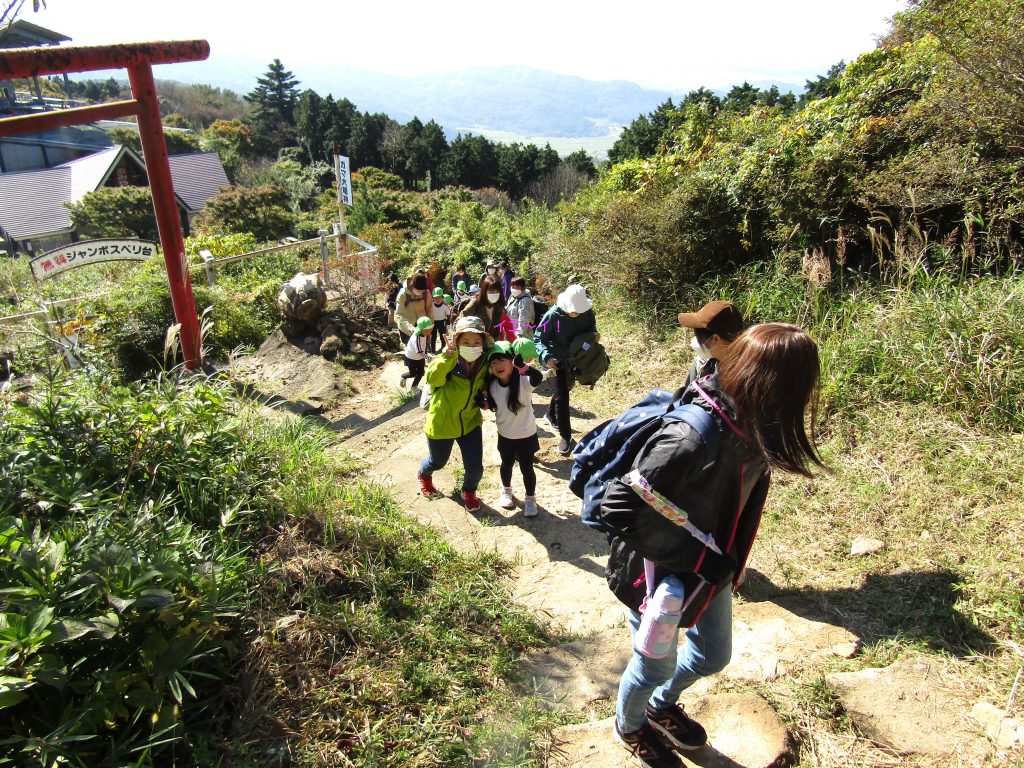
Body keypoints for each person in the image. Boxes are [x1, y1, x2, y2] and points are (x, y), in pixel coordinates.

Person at [604, 323, 823, 768]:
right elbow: (618, 505)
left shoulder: (753, 424)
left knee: (712, 655)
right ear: (779, 386)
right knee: (656, 665)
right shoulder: (694, 435)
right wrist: (702, 559)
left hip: (710, 567)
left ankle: (658, 706)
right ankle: (630, 725)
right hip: (655, 572)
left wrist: (717, 562)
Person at [418, 316, 493, 512]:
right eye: (466, 342)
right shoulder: (448, 359)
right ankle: (424, 475)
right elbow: (433, 378)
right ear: (457, 342)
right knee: (437, 462)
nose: (471, 346)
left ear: (483, 343)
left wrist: (486, 394)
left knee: (475, 468)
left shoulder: (485, 362)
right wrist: (446, 356)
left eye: (476, 342)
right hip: (442, 422)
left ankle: (468, 491)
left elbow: (489, 381)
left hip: (470, 421)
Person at [535, 284, 598, 455]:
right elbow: (539, 338)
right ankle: (566, 436)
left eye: (579, 310)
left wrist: (594, 334)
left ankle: (550, 415)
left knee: (564, 389)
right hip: (555, 359)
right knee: (563, 396)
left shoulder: (587, 313)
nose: (576, 313)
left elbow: (591, 328)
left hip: (575, 358)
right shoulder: (552, 315)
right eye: (573, 310)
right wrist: (547, 357)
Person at [484, 341, 544, 517]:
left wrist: (524, 367)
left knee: (527, 468)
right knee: (506, 464)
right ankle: (506, 490)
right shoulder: (493, 386)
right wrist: (484, 402)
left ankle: (530, 498)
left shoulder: (524, 381)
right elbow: (491, 405)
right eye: (493, 362)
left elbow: (538, 378)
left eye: (502, 360)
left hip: (526, 435)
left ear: (512, 362)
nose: (497, 365)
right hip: (506, 435)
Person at [673, 300, 744, 397]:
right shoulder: (703, 363)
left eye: (700, 338)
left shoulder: (748, 372)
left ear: (715, 339)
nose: (697, 341)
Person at [460, 276, 508, 340]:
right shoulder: (476, 303)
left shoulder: (498, 307)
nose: (494, 294)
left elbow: (497, 330)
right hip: (474, 341)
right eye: (491, 292)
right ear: (484, 291)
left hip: (490, 342)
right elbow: (461, 317)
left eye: (496, 292)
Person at [395, 267, 432, 342]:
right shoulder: (403, 294)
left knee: (423, 348)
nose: (421, 293)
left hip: (423, 327)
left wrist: (430, 325)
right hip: (407, 329)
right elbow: (398, 315)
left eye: (422, 291)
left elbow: (429, 309)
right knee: (410, 348)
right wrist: (410, 327)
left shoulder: (426, 292)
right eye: (419, 291)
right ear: (412, 286)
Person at [401, 316, 433, 390]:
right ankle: (403, 376)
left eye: (430, 330)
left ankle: (414, 386)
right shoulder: (417, 338)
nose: (429, 332)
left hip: (420, 357)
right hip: (411, 357)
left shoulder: (423, 334)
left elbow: (423, 347)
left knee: (421, 373)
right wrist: (428, 357)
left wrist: (427, 354)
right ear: (421, 329)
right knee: (413, 373)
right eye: (427, 331)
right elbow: (419, 351)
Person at [429, 287, 452, 353]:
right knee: (433, 336)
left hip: (442, 322)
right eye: (436, 298)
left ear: (442, 297)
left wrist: (448, 325)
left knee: (443, 336)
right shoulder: (431, 305)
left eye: (439, 297)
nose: (438, 299)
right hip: (433, 322)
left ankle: (443, 348)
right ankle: (433, 351)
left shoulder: (445, 306)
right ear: (433, 298)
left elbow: (448, 315)